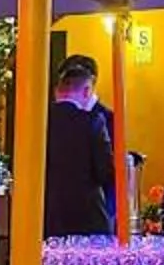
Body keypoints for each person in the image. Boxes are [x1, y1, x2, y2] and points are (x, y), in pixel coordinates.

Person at [45, 53, 117, 236]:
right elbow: (105, 172)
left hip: (46, 218)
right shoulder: (94, 122)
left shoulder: (37, 123)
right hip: (88, 219)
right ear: (87, 90)